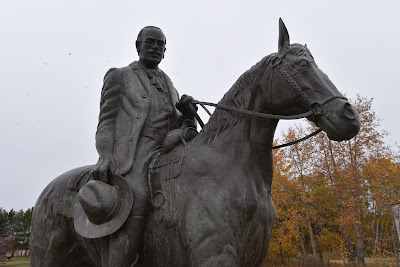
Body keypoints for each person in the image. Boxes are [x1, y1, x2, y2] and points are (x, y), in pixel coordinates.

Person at [91, 26, 196, 266]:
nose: (156, 47)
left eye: (161, 44)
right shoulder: (119, 76)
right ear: (138, 45)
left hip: (170, 147)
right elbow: (105, 122)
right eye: (151, 42)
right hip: (137, 151)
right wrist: (105, 155)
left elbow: (175, 122)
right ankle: (119, 259)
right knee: (138, 194)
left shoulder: (170, 85)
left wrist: (188, 116)